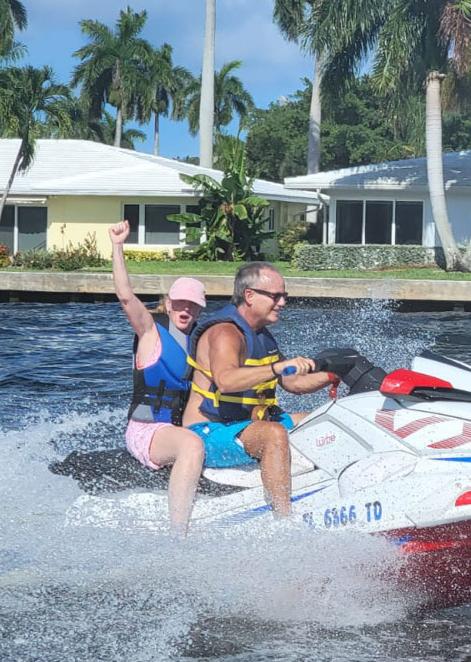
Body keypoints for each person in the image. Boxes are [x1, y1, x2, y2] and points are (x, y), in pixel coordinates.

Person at [183, 261, 333, 516]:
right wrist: (278, 368)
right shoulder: (224, 333)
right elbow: (226, 381)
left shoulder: (261, 335)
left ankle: (331, 493)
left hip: (247, 426)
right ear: (249, 295)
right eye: (275, 296)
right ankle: (283, 519)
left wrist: (334, 374)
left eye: (284, 296)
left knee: (326, 419)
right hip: (209, 432)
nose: (282, 303)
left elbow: (293, 384)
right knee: (273, 434)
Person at [111, 220, 208, 534]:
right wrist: (117, 245)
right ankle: (178, 533)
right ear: (168, 303)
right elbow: (126, 297)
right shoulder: (151, 331)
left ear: (199, 311)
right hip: (148, 430)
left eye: (192, 306)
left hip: (178, 426)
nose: (185, 310)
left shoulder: (200, 342)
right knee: (192, 446)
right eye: (179, 303)